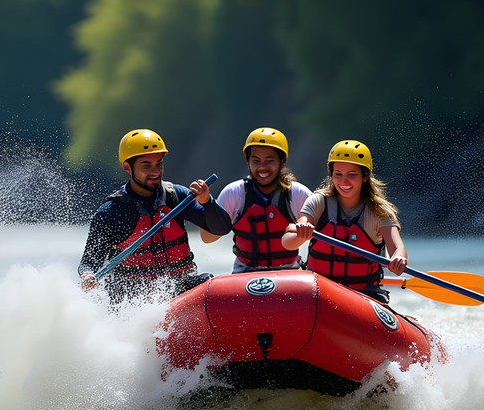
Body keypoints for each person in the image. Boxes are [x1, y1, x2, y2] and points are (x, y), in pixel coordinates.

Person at [78, 128, 232, 302]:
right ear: (127, 167)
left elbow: (222, 228)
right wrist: (88, 276)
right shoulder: (111, 213)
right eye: (146, 166)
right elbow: (88, 262)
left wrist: (207, 201)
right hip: (134, 299)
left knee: (208, 282)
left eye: (158, 163)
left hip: (179, 289)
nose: (155, 172)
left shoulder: (176, 196)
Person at [282, 139, 407, 303]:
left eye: (352, 175)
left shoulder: (379, 211)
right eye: (338, 174)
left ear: (365, 176)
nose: (344, 181)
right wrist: (302, 232)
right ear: (331, 175)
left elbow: (397, 247)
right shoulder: (318, 201)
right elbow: (287, 243)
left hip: (364, 295)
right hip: (319, 293)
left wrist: (398, 259)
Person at [200, 127, 312, 273]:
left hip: (289, 274)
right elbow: (207, 238)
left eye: (270, 161)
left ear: (282, 161)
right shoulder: (234, 193)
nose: (262, 167)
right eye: (256, 161)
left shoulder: (297, 194)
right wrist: (206, 203)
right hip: (245, 273)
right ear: (248, 161)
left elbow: (322, 237)